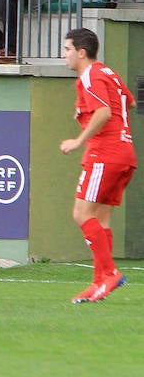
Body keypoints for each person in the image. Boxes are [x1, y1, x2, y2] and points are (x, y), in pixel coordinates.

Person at [58, 27, 135, 303]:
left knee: (81, 213)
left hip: (104, 153)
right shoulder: (108, 73)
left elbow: (104, 111)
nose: (64, 54)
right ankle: (99, 282)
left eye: (67, 49)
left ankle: (110, 273)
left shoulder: (89, 76)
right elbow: (130, 101)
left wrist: (79, 140)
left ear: (81, 52)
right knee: (101, 220)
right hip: (125, 153)